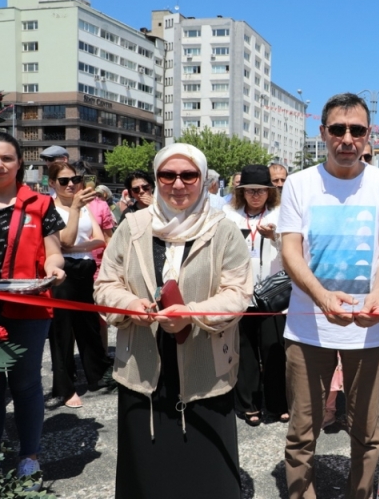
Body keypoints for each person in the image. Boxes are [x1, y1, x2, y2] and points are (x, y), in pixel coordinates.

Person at [94, 143, 252, 499]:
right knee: (147, 471)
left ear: (203, 179)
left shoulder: (223, 230)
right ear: (156, 178)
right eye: (167, 175)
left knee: (205, 470)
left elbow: (238, 292)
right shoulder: (133, 227)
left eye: (188, 175)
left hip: (204, 365)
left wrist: (191, 314)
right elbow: (106, 285)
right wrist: (130, 304)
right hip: (143, 364)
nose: (178, 184)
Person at [278, 92, 379, 498]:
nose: (347, 139)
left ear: (369, 134)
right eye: (338, 129)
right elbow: (290, 250)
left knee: (367, 433)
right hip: (308, 328)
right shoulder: (299, 183)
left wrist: (378, 295)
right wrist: (321, 297)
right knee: (302, 431)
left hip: (369, 329)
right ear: (323, 133)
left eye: (357, 130)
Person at [0, 132, 66, 490]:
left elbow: (54, 252)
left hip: (27, 306)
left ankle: (29, 456)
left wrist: (54, 269)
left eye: (6, 158)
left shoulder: (39, 204)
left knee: (24, 383)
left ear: (20, 162)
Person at [223, 164, 288, 425]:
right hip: (240, 292)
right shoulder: (229, 216)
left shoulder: (281, 214)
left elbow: (296, 252)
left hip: (273, 294)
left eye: (261, 190)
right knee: (244, 350)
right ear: (241, 192)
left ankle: (278, 404)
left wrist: (275, 237)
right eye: (250, 190)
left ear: (270, 191)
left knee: (274, 351)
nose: (256, 195)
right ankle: (248, 404)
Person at [47, 162, 113, 409]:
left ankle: (97, 375)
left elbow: (98, 239)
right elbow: (65, 238)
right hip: (62, 271)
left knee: (89, 326)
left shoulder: (84, 207)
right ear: (52, 183)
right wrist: (74, 210)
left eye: (75, 180)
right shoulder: (51, 208)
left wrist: (74, 247)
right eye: (64, 181)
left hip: (85, 268)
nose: (71, 185)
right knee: (62, 331)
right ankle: (64, 387)